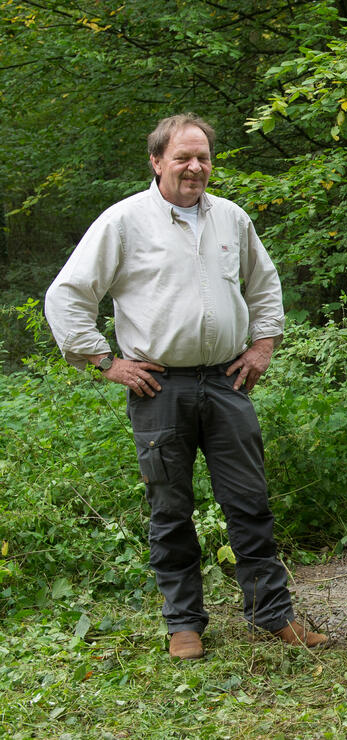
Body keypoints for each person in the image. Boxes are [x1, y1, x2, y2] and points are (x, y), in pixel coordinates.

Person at [45, 114, 327, 660]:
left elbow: (264, 285)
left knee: (249, 503)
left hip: (227, 383)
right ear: (156, 162)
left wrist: (263, 345)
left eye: (203, 157)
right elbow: (68, 294)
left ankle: (272, 616)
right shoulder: (125, 221)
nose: (195, 167)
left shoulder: (231, 219)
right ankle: (183, 624)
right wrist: (105, 360)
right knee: (169, 508)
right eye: (182, 158)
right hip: (158, 388)